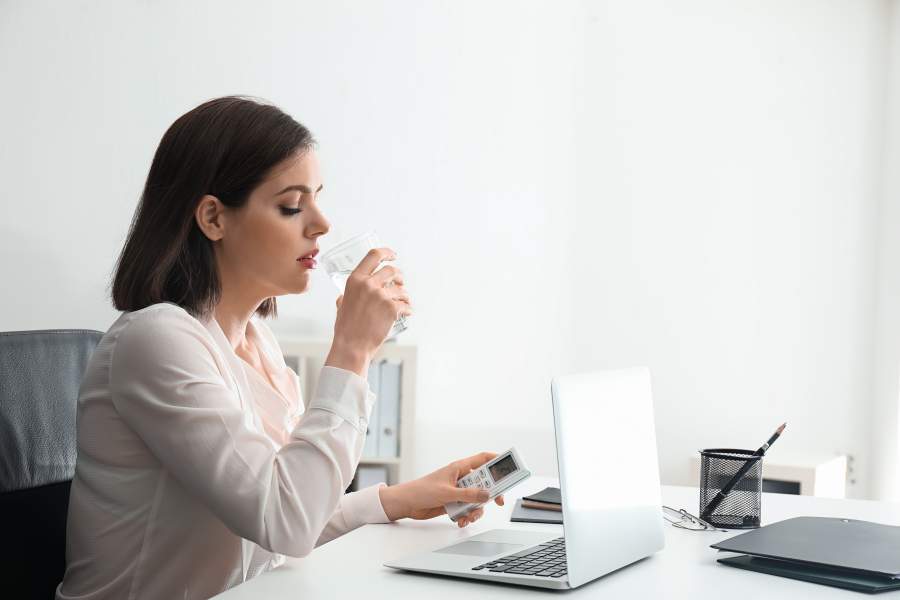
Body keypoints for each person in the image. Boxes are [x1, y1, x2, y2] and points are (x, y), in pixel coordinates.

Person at [56, 96, 503, 600]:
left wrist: (398, 500)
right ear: (214, 218)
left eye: (317, 197)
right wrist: (351, 352)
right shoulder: (156, 341)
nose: (321, 223)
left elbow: (286, 511)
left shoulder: (257, 345)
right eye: (292, 205)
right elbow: (283, 521)